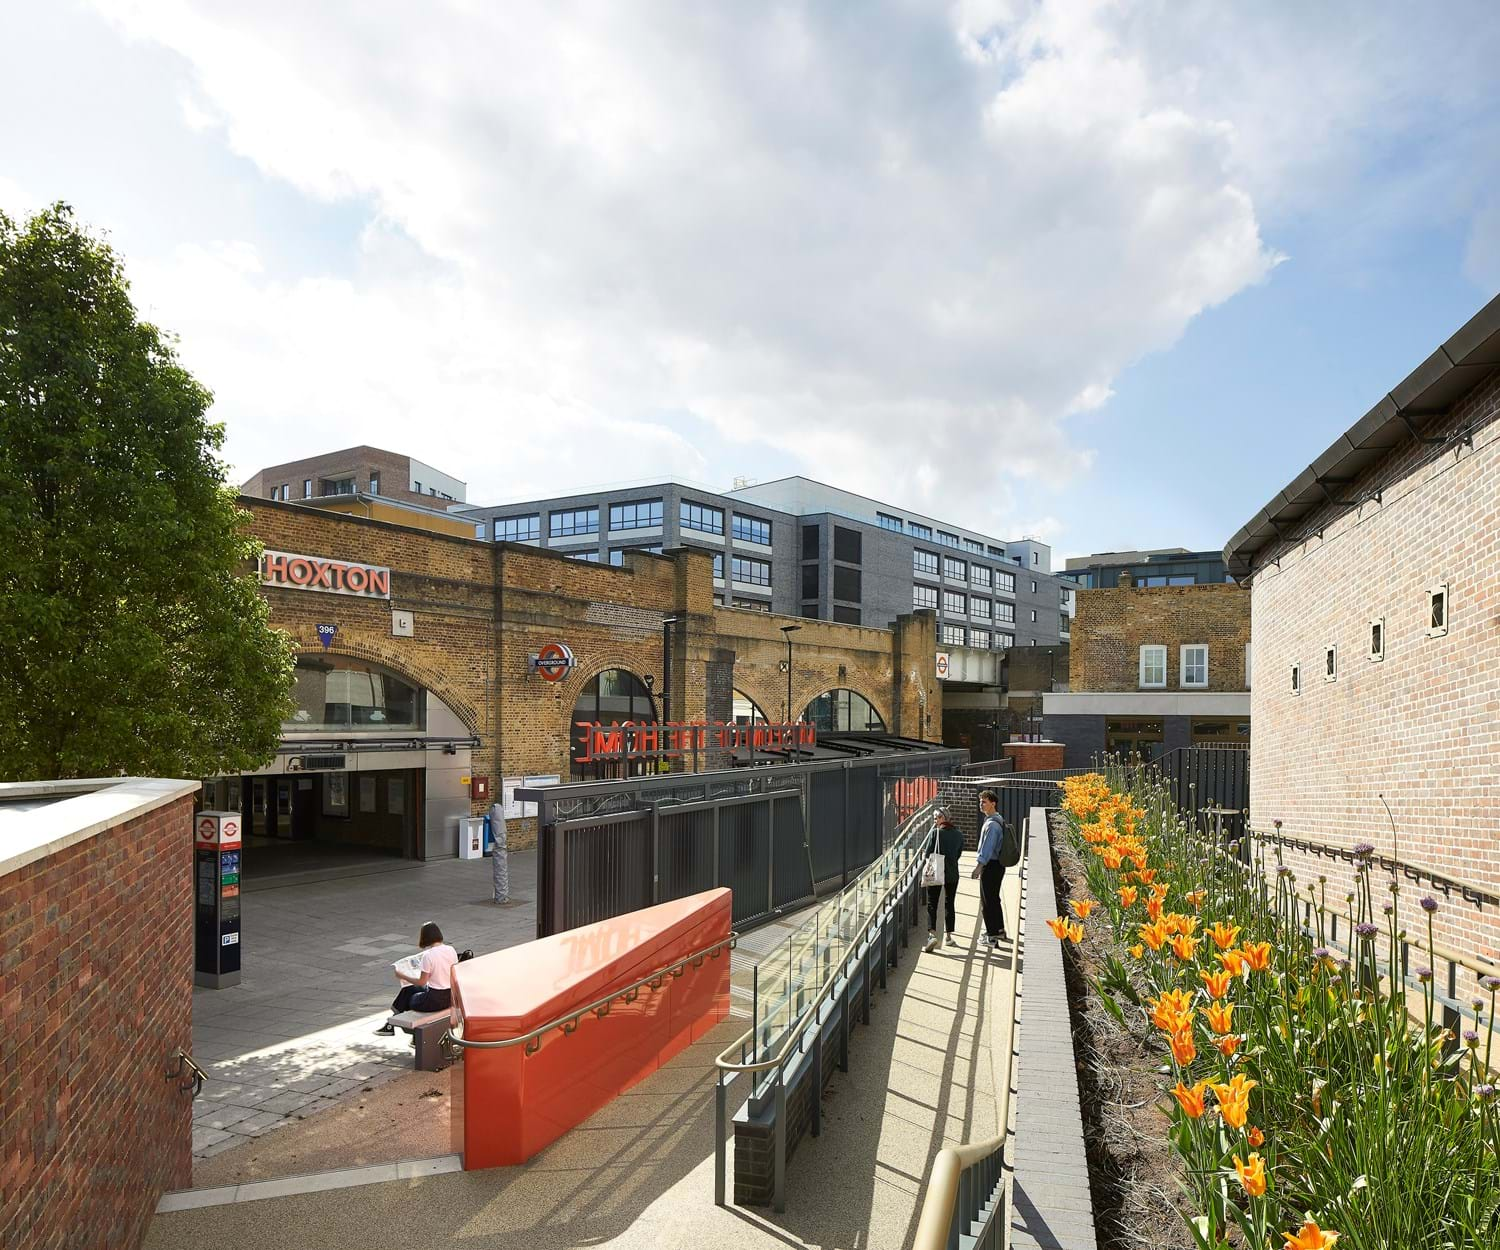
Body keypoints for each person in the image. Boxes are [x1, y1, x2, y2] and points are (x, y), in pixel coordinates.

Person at [375, 921, 458, 1034]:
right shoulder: (451, 950)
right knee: (408, 989)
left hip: (434, 1000)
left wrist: (402, 976)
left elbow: (421, 982)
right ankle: (390, 1026)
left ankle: (403, 1030)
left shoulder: (428, 955)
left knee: (410, 998)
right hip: (449, 997)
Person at [971, 789, 1009, 947]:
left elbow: (987, 848)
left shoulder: (992, 825)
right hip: (997, 865)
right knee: (993, 898)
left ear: (993, 803)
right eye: (980, 801)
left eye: (984, 801)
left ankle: (991, 935)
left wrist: (979, 867)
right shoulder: (997, 819)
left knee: (987, 901)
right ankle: (999, 930)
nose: (981, 804)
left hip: (991, 866)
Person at [923, 807, 964, 952]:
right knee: (949, 903)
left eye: (937, 817)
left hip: (936, 872)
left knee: (932, 903)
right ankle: (948, 937)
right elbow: (958, 853)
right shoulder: (959, 835)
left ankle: (932, 934)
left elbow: (927, 853)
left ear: (944, 818)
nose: (935, 820)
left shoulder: (935, 833)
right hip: (952, 874)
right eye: (934, 817)